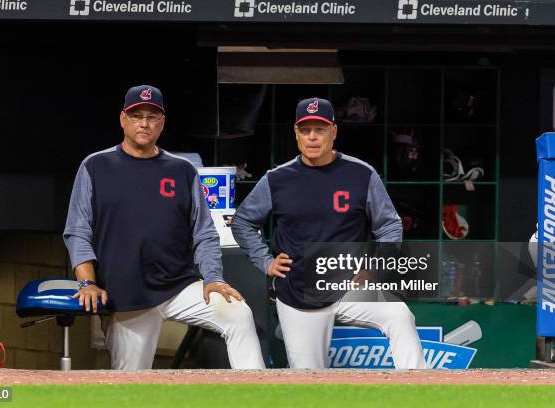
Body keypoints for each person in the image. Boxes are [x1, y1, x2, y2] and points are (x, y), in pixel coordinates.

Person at [63, 85, 265, 370]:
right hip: (127, 294)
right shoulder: (96, 166)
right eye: (136, 116)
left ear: (162, 122)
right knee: (130, 386)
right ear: (123, 119)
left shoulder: (181, 169)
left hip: (179, 286)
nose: (144, 123)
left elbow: (205, 233)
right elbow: (77, 231)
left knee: (238, 314)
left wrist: (213, 278)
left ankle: (260, 394)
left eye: (152, 116)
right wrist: (88, 282)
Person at [231, 97, 427, 369]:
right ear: (297, 134)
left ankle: (420, 391)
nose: (312, 137)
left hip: (349, 285)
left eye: (320, 130)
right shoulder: (277, 179)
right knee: (309, 378)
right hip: (299, 291)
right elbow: (243, 221)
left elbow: (389, 225)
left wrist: (376, 267)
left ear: (333, 132)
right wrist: (265, 261)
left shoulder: (360, 174)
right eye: (306, 130)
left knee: (398, 315)